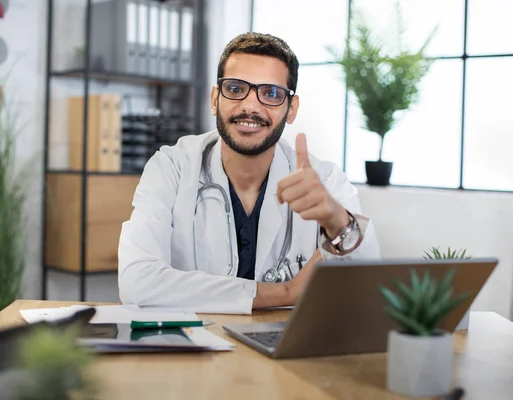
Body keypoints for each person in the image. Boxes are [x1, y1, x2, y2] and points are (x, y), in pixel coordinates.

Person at [118, 32, 380, 314]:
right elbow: (137, 282)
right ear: (215, 98)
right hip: (191, 346)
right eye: (234, 88)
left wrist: (337, 220)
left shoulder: (325, 181)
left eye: (270, 93)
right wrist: (286, 292)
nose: (250, 106)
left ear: (291, 109)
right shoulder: (172, 167)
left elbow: (367, 286)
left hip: (282, 350)